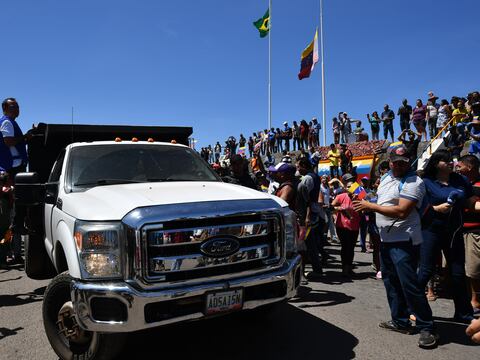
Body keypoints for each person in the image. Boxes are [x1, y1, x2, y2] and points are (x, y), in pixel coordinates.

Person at [352, 144, 438, 349]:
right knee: (391, 283)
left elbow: (401, 211)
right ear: (390, 161)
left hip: (404, 242)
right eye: (395, 162)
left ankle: (427, 326)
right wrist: (368, 200)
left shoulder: (414, 182)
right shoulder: (387, 178)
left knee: (410, 286)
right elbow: (384, 200)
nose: (398, 166)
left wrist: (369, 206)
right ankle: (400, 320)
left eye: (403, 163)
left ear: (408, 162)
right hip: (386, 240)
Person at [418, 150, 478, 324]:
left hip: (454, 231)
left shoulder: (461, 180)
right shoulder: (426, 182)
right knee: (426, 271)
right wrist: (436, 209)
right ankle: (411, 307)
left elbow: (470, 201)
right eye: (446, 160)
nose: (451, 163)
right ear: (437, 164)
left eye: (451, 159)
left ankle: (464, 313)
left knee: (458, 273)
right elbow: (418, 206)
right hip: (431, 230)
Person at [0, 98, 29, 265]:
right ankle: (7, 253)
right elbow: (8, 141)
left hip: (12, 170)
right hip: (11, 171)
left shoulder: (9, 122)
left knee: (13, 214)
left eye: (18, 106)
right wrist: (25, 137)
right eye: (13, 106)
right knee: (12, 215)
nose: (17, 109)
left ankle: (13, 252)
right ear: (5, 108)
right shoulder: (7, 123)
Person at [456, 155, 480, 314]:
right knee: (462, 268)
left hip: (474, 231)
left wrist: (467, 204)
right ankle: (466, 298)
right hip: (459, 230)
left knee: (473, 269)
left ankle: (475, 300)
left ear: (469, 167)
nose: (457, 168)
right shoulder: (462, 184)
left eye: (460, 166)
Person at [296, 157, 324, 279]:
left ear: (303, 165)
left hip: (308, 215)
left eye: (298, 167)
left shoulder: (307, 178)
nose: (297, 170)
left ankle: (315, 269)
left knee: (307, 242)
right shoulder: (315, 176)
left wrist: (306, 216)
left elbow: (306, 198)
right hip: (313, 212)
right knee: (310, 242)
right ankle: (316, 268)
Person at [331, 173, 361, 277]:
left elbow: (368, 203)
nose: (350, 188)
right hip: (342, 226)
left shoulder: (359, 197)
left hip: (355, 226)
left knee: (351, 247)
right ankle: (344, 267)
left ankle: (349, 266)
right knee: (345, 246)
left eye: (353, 186)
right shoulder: (340, 196)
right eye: (348, 186)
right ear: (344, 187)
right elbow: (331, 207)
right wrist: (339, 209)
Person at [321, 175, 338, 243]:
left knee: (328, 223)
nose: (325, 180)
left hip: (328, 207)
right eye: (323, 178)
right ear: (321, 179)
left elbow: (331, 195)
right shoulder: (320, 187)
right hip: (322, 207)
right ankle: (323, 238)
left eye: (326, 178)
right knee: (325, 222)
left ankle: (325, 239)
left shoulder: (328, 187)